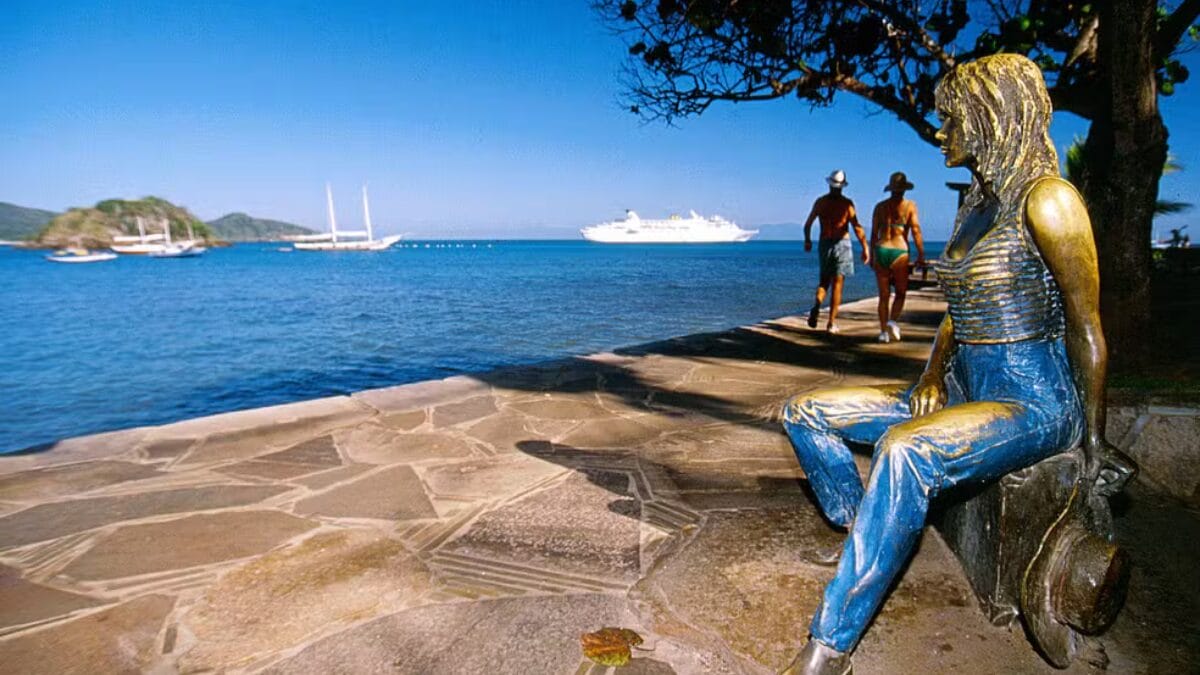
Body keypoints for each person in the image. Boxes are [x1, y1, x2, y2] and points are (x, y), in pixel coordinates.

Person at [779, 54, 1135, 674]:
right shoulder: (977, 205)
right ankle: (866, 536)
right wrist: (932, 373)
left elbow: (1087, 327)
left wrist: (1093, 439)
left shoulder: (1049, 201)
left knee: (905, 450)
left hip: (1034, 401)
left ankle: (829, 648)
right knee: (803, 412)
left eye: (952, 119)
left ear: (990, 116)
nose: (942, 133)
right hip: (966, 386)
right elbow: (958, 310)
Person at [803, 170, 870, 334]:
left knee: (824, 282)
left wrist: (808, 241)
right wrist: (865, 247)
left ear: (829, 184)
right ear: (842, 186)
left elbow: (808, 224)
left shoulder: (821, 202)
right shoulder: (847, 204)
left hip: (825, 243)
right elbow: (857, 227)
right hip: (842, 244)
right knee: (838, 285)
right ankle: (831, 323)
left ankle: (817, 305)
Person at [870, 172, 926, 343]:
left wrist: (872, 255)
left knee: (884, 295)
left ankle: (883, 333)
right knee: (900, 293)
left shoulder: (880, 207)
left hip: (881, 249)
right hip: (899, 251)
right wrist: (921, 254)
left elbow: (874, 234)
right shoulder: (909, 206)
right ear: (904, 189)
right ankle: (892, 321)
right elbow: (915, 230)